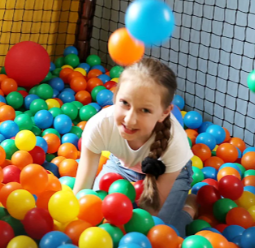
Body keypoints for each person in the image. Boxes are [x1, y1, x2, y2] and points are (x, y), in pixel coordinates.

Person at [73, 57, 196, 236]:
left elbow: (150, 215)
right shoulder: (100, 125)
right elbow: (82, 190)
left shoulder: (174, 143)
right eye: (125, 103)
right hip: (122, 166)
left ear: (164, 113)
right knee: (96, 208)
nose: (130, 120)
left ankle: (189, 208)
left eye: (145, 110)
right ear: (115, 96)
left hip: (167, 174)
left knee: (159, 233)